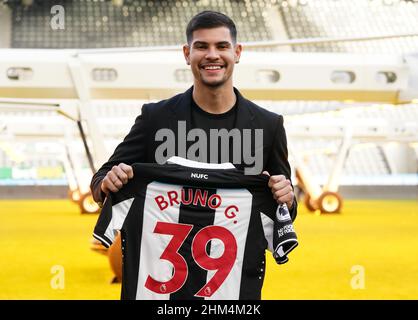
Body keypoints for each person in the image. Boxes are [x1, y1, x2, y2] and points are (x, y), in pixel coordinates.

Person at [90, 10, 297, 220]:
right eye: (202, 46)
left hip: (243, 252)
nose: (212, 54)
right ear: (187, 54)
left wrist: (288, 199)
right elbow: (100, 179)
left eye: (222, 46)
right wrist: (108, 182)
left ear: (237, 52)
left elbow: (287, 207)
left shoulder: (269, 126)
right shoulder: (155, 118)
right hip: (162, 252)